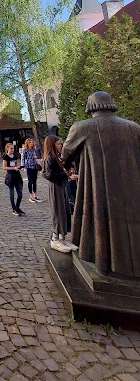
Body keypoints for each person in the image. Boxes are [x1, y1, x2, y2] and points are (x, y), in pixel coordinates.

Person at [62, 91, 140, 278]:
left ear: (91, 106)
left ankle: (103, 261)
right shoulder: (134, 127)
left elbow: (66, 153)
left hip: (98, 186)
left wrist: (67, 167)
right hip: (131, 187)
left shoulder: (82, 127)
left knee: (101, 218)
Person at [43, 135, 78, 253]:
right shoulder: (50, 158)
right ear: (52, 145)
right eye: (58, 144)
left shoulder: (57, 157)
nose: (61, 145)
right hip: (56, 187)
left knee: (65, 211)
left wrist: (68, 171)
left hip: (61, 186)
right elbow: (47, 175)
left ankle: (63, 238)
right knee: (58, 211)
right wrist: (65, 175)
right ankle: (55, 238)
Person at [2, 143, 25, 216]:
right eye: (11, 148)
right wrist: (13, 168)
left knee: (20, 194)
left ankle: (17, 207)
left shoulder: (15, 156)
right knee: (12, 194)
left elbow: (15, 165)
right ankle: (14, 208)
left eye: (13, 148)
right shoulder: (5, 156)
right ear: (7, 149)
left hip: (16, 176)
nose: (12, 150)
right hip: (10, 176)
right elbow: (4, 167)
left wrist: (18, 168)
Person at [21, 138, 43, 203]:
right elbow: (23, 158)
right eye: (30, 142)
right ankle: (31, 196)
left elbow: (35, 157)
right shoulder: (25, 150)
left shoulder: (33, 150)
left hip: (34, 167)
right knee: (30, 181)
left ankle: (35, 195)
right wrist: (24, 167)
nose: (31, 143)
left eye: (32, 142)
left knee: (35, 181)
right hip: (29, 167)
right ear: (27, 143)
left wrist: (36, 158)